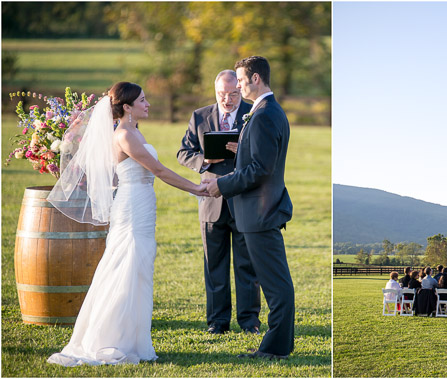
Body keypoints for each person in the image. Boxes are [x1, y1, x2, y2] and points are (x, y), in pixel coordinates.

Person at [47, 82, 209, 366]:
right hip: (133, 208)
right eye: (142, 100)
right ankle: (109, 339)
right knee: (125, 269)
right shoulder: (124, 135)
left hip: (142, 204)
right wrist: (196, 188)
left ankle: (133, 339)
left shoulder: (134, 131)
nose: (148, 104)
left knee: (139, 271)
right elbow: (157, 170)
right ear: (127, 107)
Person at [205, 56, 294, 359]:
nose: (238, 86)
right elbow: (258, 157)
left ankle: (275, 349)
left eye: (241, 81)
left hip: (260, 212)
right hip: (258, 213)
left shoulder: (266, 114)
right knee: (275, 284)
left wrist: (222, 184)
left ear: (256, 79)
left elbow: (259, 169)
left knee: (276, 286)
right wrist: (239, 146)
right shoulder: (264, 112)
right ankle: (277, 346)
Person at [177, 69, 259, 335]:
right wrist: (204, 161)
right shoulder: (200, 116)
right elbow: (183, 152)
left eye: (233, 94)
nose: (227, 100)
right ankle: (217, 322)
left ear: (241, 90)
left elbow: (264, 156)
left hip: (244, 200)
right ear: (216, 92)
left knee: (247, 266)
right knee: (214, 265)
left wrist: (243, 149)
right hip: (210, 201)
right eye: (222, 94)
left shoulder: (254, 114)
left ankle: (249, 322)